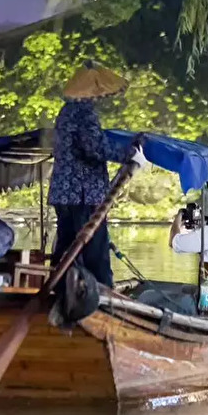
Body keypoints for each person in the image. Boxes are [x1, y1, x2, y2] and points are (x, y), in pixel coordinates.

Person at [48, 61, 146, 287]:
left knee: (66, 249)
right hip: (82, 194)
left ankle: (58, 290)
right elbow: (95, 147)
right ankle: (103, 293)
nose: (101, 97)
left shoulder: (66, 111)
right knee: (95, 250)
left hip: (64, 194)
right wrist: (131, 153)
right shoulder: (84, 113)